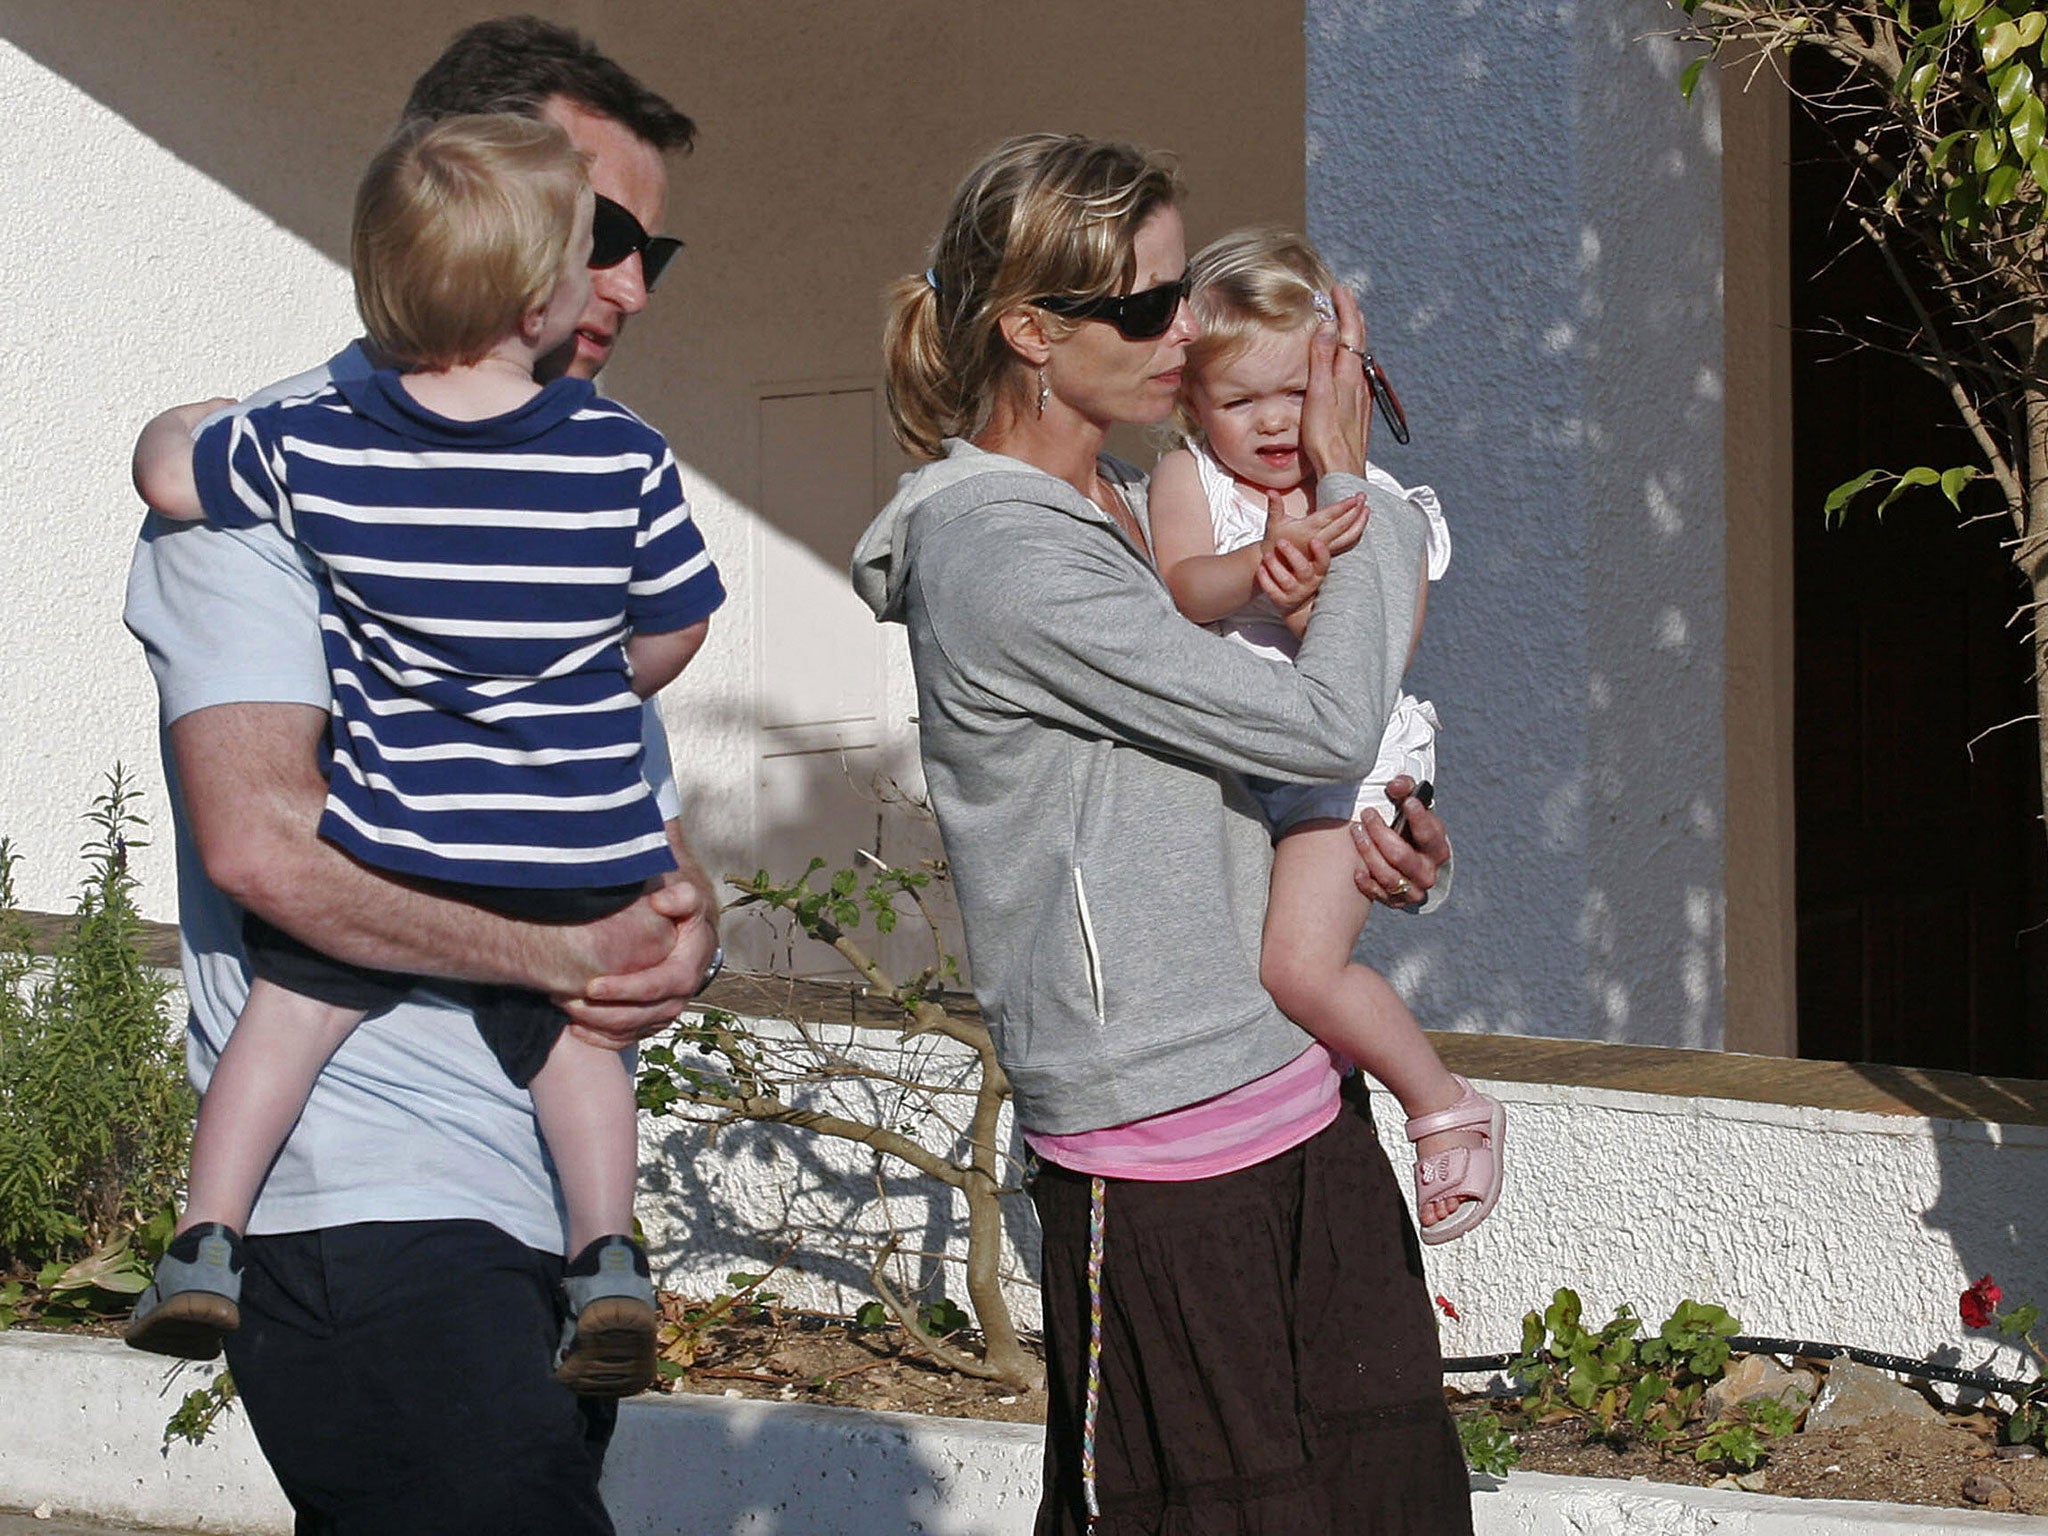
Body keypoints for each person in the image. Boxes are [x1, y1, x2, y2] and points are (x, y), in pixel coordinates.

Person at [122, 18, 707, 1534]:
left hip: (534, 1217)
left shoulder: (583, 470)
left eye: (654, 250)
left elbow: (589, 772)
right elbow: (267, 847)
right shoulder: (282, 478)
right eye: (607, 235)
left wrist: (678, 900)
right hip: (368, 1199)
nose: (628, 285)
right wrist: (562, 953)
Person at [853, 135, 1472, 1532]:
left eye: (1181, 291)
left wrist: (1379, 847)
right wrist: (1349, 485)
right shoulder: (1008, 558)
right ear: (1030, 330)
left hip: (1291, 1092)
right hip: (1163, 1146)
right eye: (1145, 308)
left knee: (1382, 1506)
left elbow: (1255, 765)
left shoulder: (1119, 506)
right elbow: (1316, 724)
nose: (1183, 330)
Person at [1149, 228, 1503, 1245]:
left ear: (1338, 389)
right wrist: (1264, 567)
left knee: (1296, 967)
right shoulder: (1191, 484)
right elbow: (1181, 587)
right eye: (1238, 399)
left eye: (1294, 394)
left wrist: (1312, 597)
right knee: (1255, 970)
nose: (1270, 423)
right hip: (1245, 761)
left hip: (1342, 768)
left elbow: (1370, 669)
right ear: (1188, 403)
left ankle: (1442, 1106)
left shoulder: (1374, 507)